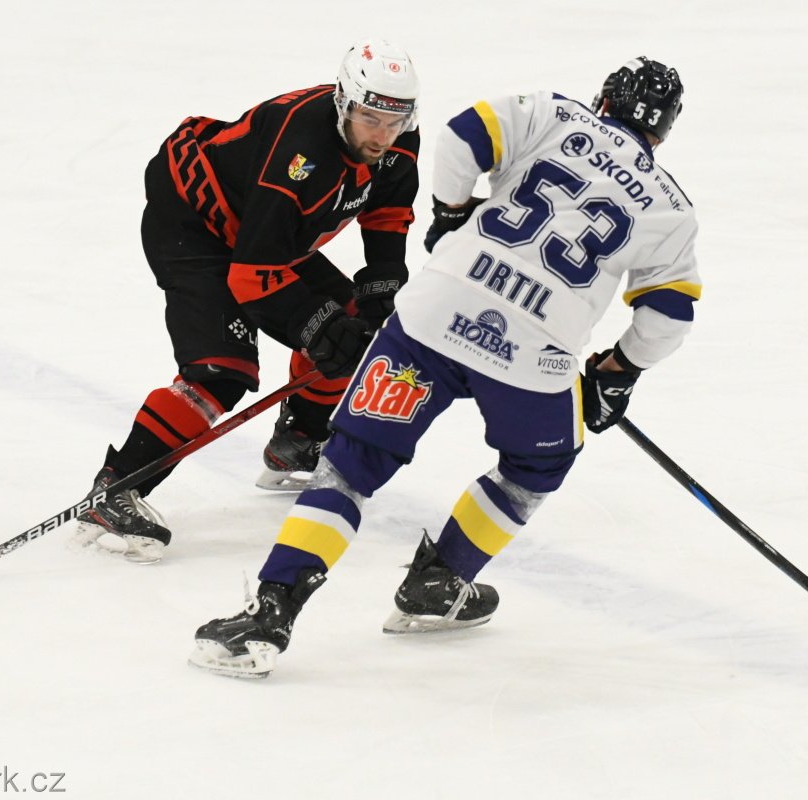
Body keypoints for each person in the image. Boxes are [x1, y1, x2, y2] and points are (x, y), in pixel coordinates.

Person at [190, 56, 701, 677]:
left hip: (433, 315)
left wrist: (454, 214)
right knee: (537, 465)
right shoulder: (671, 208)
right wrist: (615, 374)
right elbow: (668, 317)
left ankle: (271, 611)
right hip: (533, 354)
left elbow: (462, 136)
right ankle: (443, 581)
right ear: (664, 131)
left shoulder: (553, 113)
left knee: (349, 466)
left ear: (604, 102)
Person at [75, 39, 422, 564]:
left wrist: (379, 292)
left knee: (354, 328)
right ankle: (116, 487)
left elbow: (387, 211)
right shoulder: (301, 151)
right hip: (195, 225)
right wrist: (316, 326)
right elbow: (254, 276)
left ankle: (299, 439)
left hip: (265, 233)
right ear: (344, 102)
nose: (381, 135)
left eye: (394, 121)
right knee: (223, 371)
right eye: (369, 118)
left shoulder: (397, 136)